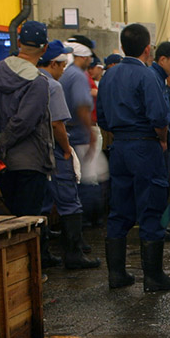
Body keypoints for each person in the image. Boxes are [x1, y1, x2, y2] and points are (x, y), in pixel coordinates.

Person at [97, 23, 170, 291]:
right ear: (148, 49)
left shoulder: (108, 76)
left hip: (119, 147)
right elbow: (158, 116)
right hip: (145, 146)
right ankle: (153, 278)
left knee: (119, 209)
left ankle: (116, 275)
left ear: (122, 47)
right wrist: (163, 140)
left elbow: (103, 118)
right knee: (152, 208)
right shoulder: (148, 77)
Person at [0, 21, 56, 262]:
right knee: (29, 223)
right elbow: (25, 121)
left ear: (19, 43)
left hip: (2, 163)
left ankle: (12, 272)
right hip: (31, 162)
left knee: (10, 221)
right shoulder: (39, 82)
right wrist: (4, 141)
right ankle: (30, 274)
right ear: (45, 48)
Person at [38, 40, 100, 270]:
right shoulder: (53, 85)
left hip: (32, 153)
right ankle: (73, 254)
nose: (64, 69)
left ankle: (42, 255)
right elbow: (57, 125)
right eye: (62, 64)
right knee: (69, 201)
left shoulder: (27, 79)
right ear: (53, 63)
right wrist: (66, 149)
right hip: (54, 149)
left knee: (42, 204)